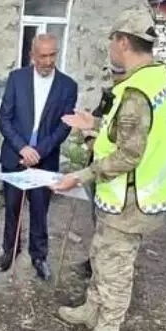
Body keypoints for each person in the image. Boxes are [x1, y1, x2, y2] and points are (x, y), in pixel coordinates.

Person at [51, 9, 166, 331]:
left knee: (115, 267)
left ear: (123, 42)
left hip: (132, 198)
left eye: (112, 40)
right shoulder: (156, 78)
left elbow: (129, 154)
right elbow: (126, 131)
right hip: (127, 194)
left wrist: (81, 175)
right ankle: (92, 308)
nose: (110, 46)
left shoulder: (137, 91)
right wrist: (93, 124)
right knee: (101, 253)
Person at [0, 33, 78, 280]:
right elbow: (4, 118)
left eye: (53, 55)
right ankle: (10, 250)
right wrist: (23, 147)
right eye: (43, 56)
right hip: (15, 156)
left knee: (40, 210)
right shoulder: (16, 78)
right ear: (32, 55)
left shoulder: (68, 86)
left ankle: (39, 256)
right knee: (12, 207)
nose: (48, 61)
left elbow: (64, 127)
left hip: (45, 159)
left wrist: (39, 151)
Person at [74, 85, 115, 280]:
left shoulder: (129, 102)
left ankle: (105, 268)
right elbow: (98, 122)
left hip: (113, 175)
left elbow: (104, 143)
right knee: (97, 219)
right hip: (97, 169)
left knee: (109, 226)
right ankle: (95, 261)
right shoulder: (111, 96)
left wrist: (88, 135)